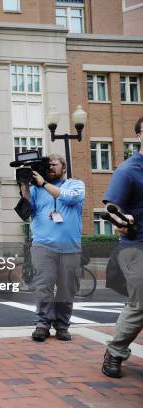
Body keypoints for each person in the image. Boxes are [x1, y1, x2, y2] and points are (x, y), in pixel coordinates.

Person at [20, 154, 85, 342]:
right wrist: (25, 185)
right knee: (43, 286)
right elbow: (27, 207)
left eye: (54, 164)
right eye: (47, 165)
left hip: (70, 247)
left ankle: (62, 325)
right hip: (43, 245)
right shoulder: (35, 188)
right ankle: (42, 324)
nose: (50, 168)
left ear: (64, 168)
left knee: (67, 288)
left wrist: (43, 184)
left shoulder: (75, 184)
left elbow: (71, 199)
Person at [101, 116, 143, 378]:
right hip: (135, 245)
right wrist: (122, 221)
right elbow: (110, 207)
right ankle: (115, 352)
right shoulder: (128, 170)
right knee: (140, 303)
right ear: (139, 135)